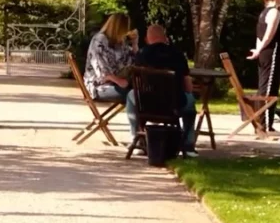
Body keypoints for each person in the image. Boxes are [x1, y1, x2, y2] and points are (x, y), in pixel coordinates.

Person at [134, 24, 197, 157]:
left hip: (147, 105)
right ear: (165, 38)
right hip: (174, 105)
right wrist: (189, 92)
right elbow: (188, 85)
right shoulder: (177, 55)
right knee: (190, 102)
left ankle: (139, 139)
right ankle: (189, 144)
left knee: (131, 98)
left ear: (147, 38)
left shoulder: (141, 54)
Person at [83, 14, 139, 140]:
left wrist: (135, 44)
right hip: (99, 86)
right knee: (134, 95)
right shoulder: (99, 41)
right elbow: (101, 71)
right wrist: (119, 81)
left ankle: (141, 134)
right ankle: (136, 136)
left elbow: (134, 61)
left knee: (140, 93)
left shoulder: (120, 42)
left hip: (116, 83)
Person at [247, 0, 280, 131]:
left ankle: (266, 122)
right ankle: (264, 123)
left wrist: (258, 49)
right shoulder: (274, 12)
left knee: (267, 85)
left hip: (264, 52)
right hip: (271, 52)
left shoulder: (263, 12)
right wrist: (260, 50)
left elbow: (259, 35)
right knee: (268, 87)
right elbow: (268, 35)